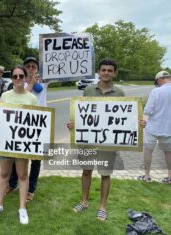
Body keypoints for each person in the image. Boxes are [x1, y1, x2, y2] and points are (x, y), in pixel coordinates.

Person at [67, 58, 125, 221]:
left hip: (108, 142)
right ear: (99, 71)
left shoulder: (120, 93)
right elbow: (82, 113)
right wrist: (74, 124)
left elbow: (125, 117)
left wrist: (139, 122)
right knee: (86, 171)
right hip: (89, 140)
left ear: (114, 73)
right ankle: (84, 201)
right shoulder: (89, 90)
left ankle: (102, 207)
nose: (106, 73)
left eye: (110, 70)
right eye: (103, 70)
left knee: (105, 174)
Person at [0, 65, 38, 224]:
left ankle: (22, 208)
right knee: (4, 174)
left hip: (22, 144)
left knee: (23, 175)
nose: (17, 79)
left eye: (20, 76)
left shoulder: (32, 98)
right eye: (15, 76)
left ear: (25, 78)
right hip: (6, 143)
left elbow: (36, 123)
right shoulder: (5, 96)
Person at [6, 57, 47, 202]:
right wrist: (30, 84)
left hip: (37, 125)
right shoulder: (17, 84)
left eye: (33, 66)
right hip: (19, 125)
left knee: (35, 160)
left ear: (38, 69)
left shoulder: (43, 82)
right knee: (15, 156)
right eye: (27, 66)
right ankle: (12, 183)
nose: (30, 69)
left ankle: (31, 189)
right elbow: (23, 97)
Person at [137, 71, 171, 184]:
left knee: (148, 151)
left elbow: (148, 110)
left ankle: (147, 176)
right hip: (168, 128)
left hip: (153, 127)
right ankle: (170, 177)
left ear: (159, 79)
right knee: (168, 153)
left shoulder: (156, 91)